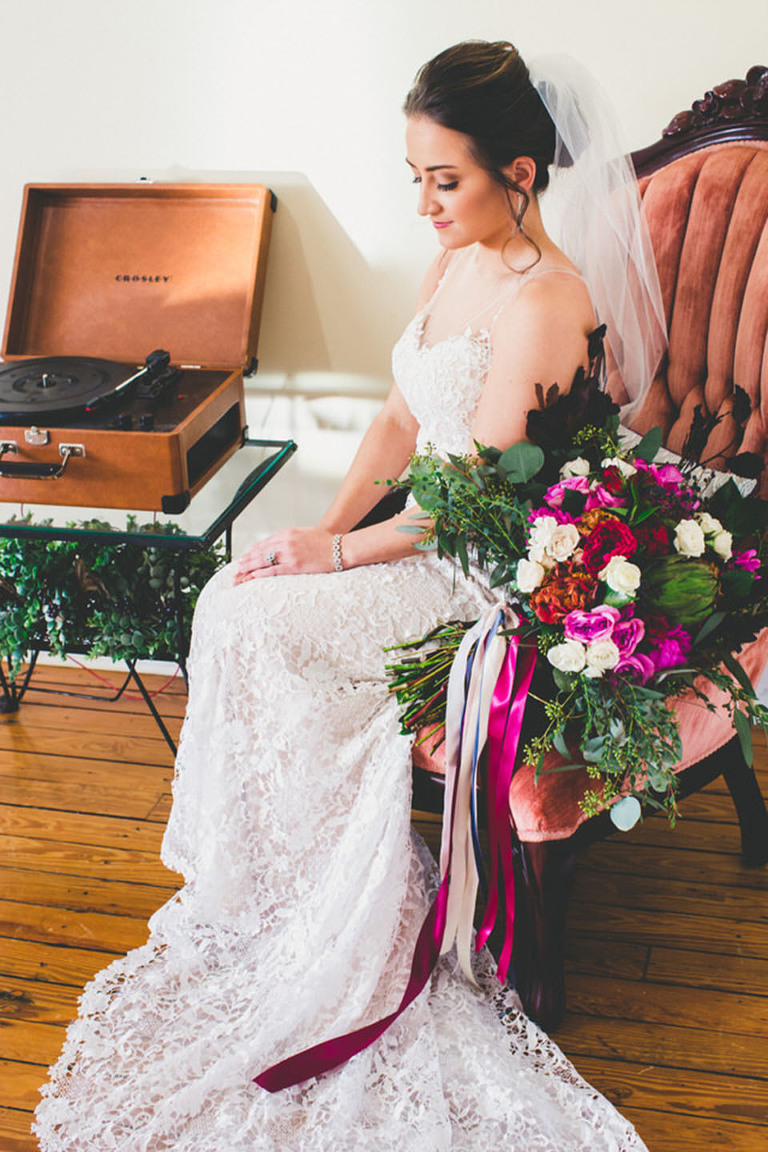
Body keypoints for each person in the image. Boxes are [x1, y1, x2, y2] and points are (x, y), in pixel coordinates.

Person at [35, 41, 652, 1151]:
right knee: (233, 594)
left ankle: (330, 923)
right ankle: (273, 895)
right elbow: (400, 425)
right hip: (404, 546)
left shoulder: (547, 301)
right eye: (412, 174)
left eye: (443, 179)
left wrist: (334, 560)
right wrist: (318, 528)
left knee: (261, 614)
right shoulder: (453, 262)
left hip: (472, 581)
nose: (421, 203)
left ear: (520, 170)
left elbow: (467, 502)